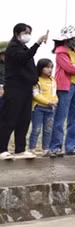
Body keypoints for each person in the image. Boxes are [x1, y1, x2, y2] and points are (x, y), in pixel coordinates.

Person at [0, 24, 48, 159]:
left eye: (29, 32)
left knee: (24, 119)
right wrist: (37, 44)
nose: (28, 35)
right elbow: (23, 58)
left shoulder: (23, 47)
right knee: (9, 118)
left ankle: (20, 149)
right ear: (17, 33)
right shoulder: (12, 48)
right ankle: (2, 149)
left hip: (26, 88)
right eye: (25, 32)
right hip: (15, 88)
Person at [49, 26, 75, 156]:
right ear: (67, 40)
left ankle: (71, 146)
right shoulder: (60, 52)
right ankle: (55, 147)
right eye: (74, 38)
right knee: (60, 117)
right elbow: (68, 68)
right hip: (65, 87)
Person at [29, 58, 58, 155]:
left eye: (51, 67)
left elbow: (54, 94)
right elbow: (36, 95)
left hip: (50, 109)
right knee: (36, 129)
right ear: (40, 68)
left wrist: (55, 101)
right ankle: (32, 148)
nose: (50, 70)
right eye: (47, 67)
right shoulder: (37, 80)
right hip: (38, 108)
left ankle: (46, 149)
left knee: (48, 130)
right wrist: (48, 102)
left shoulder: (53, 80)